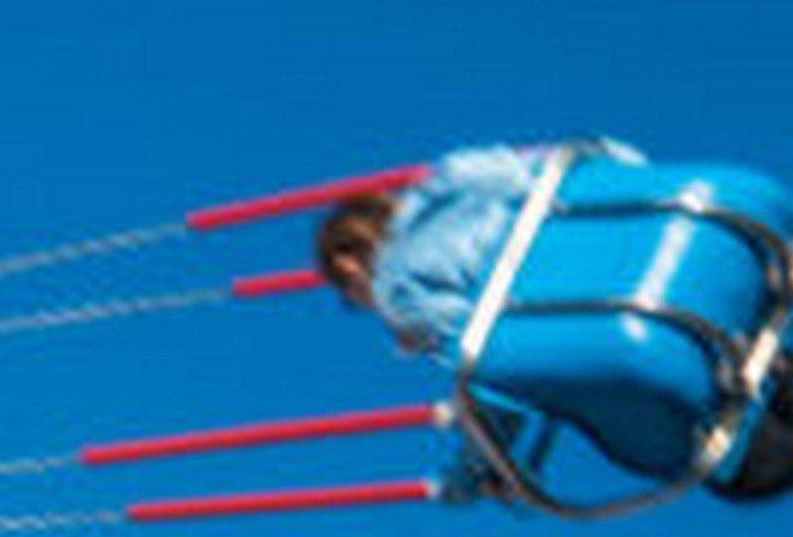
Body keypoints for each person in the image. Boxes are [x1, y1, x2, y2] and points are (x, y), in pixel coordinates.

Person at [321, 153, 793, 505]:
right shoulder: (451, 177)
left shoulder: (396, 286)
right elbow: (592, 156)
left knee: (744, 471)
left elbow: (487, 365)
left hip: (642, 345)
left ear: (349, 264)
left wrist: (480, 471)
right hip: (717, 223)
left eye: (351, 297)